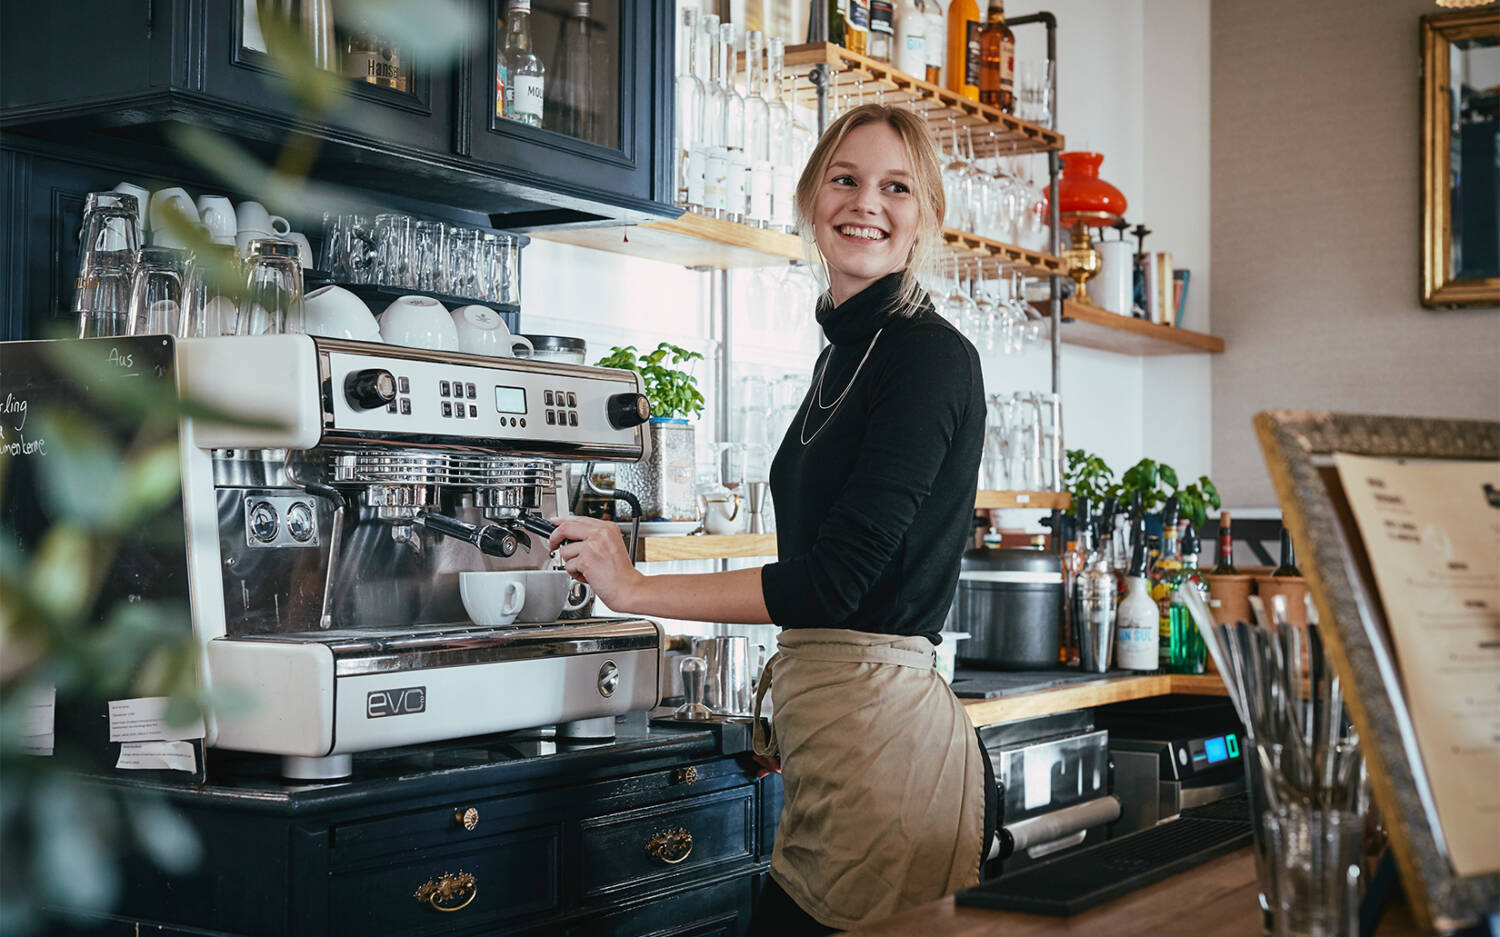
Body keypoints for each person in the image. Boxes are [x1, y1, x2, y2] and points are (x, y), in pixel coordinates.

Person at [548, 103, 991, 934]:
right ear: (809, 198)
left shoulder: (928, 356)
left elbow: (834, 582)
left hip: (888, 756)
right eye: (845, 178)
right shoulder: (845, 353)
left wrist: (638, 585)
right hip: (838, 740)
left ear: (925, 213)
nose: (867, 202)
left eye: (896, 186)